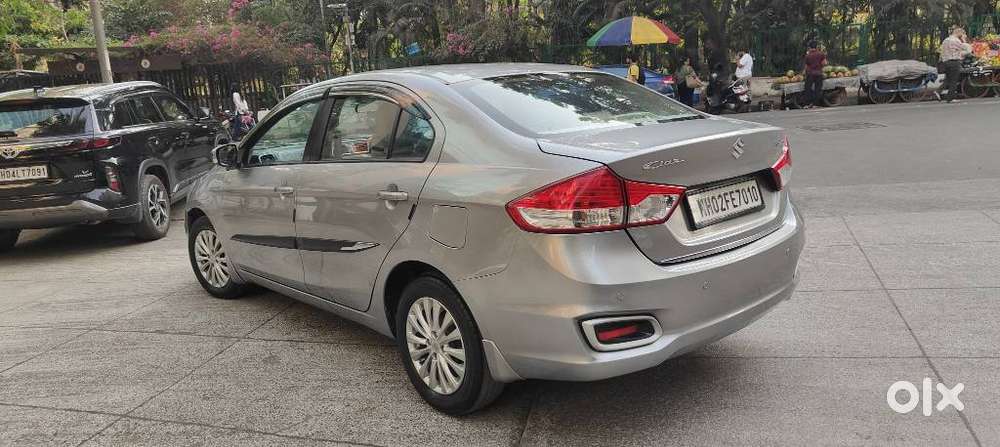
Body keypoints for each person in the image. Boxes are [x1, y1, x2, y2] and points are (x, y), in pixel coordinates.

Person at [939, 27, 973, 103]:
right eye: (963, 34)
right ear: (959, 33)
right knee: (954, 80)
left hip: (946, 62)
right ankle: (950, 98)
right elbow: (968, 50)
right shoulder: (956, 41)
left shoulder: (945, 40)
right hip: (954, 62)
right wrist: (964, 40)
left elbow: (942, 52)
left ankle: (941, 93)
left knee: (948, 79)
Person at [803, 41, 827, 108]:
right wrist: (820, 65)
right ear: (816, 47)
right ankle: (816, 104)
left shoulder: (807, 56)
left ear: (809, 47)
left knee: (807, 89)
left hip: (810, 74)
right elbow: (824, 63)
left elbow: (806, 67)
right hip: (819, 74)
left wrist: (804, 73)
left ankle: (807, 104)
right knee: (817, 89)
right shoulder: (821, 54)